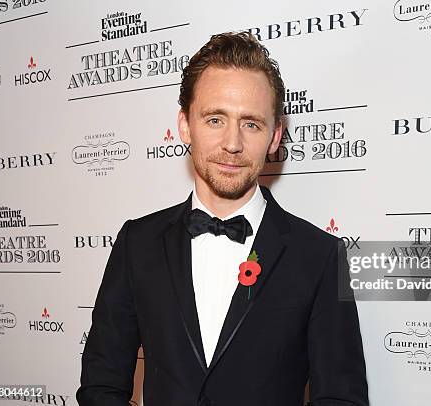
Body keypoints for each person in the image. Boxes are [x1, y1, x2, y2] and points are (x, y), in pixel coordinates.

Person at [77, 31, 368, 406]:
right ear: (185, 125)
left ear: (275, 135)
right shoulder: (138, 242)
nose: (232, 143)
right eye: (215, 119)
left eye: (251, 124)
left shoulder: (321, 256)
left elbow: (342, 399)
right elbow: (101, 385)